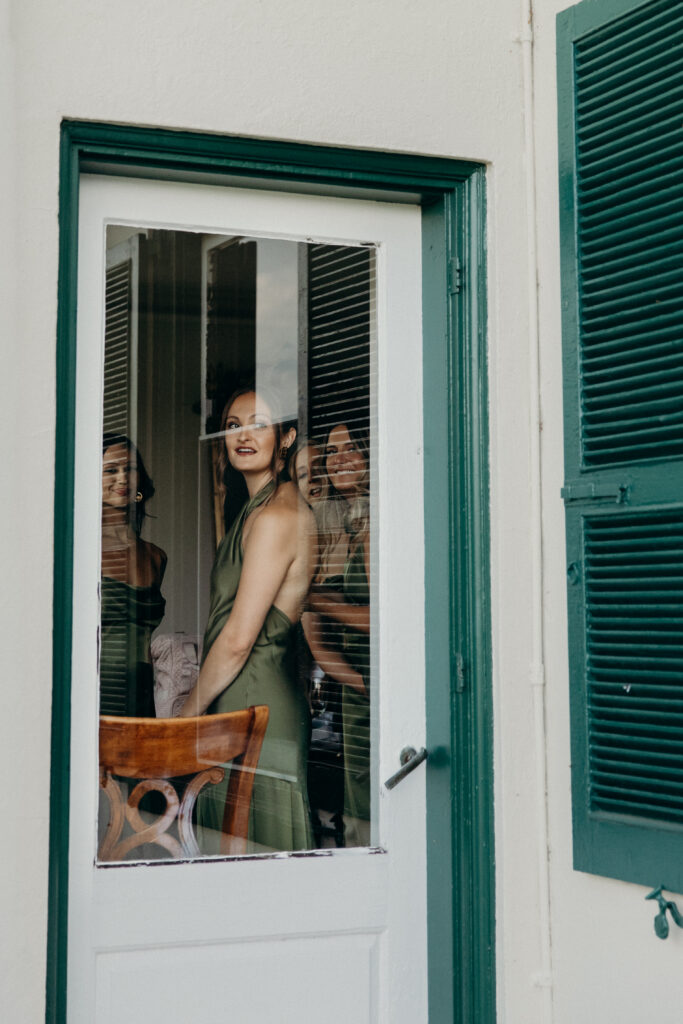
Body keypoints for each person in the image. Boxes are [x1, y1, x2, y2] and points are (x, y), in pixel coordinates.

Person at [179, 387, 315, 854]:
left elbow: (238, 638)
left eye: (258, 423)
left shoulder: (278, 515)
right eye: (233, 424)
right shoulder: (255, 509)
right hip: (235, 702)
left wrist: (185, 716)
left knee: (258, 861)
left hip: (258, 707)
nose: (242, 434)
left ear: (286, 437)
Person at [308, 423, 371, 845]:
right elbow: (318, 641)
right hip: (358, 682)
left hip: (373, 670)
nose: (340, 457)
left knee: (370, 795)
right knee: (356, 793)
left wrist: (311, 597)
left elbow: (377, 617)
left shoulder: (373, 520)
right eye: (332, 452)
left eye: (352, 447)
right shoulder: (342, 527)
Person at [100, 434, 167, 717]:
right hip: (95, 690)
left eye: (129, 468)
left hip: (142, 694)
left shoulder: (155, 557)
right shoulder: (80, 552)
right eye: (111, 470)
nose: (123, 477)